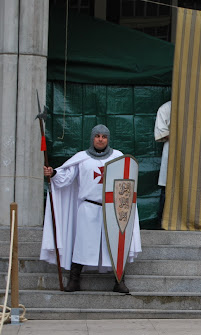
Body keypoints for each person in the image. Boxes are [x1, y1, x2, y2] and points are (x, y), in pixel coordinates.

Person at [40, 124, 142, 293]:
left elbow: (126, 182)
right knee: (82, 244)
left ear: (108, 139)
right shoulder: (81, 158)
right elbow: (66, 178)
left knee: (116, 244)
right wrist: (54, 173)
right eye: (97, 136)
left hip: (113, 210)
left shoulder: (118, 157)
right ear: (92, 138)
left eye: (104, 137)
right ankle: (74, 280)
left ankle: (119, 282)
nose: (100, 139)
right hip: (88, 208)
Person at [154, 100, 172, 229]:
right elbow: (162, 133)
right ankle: (163, 223)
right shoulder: (166, 108)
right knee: (167, 189)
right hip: (171, 153)